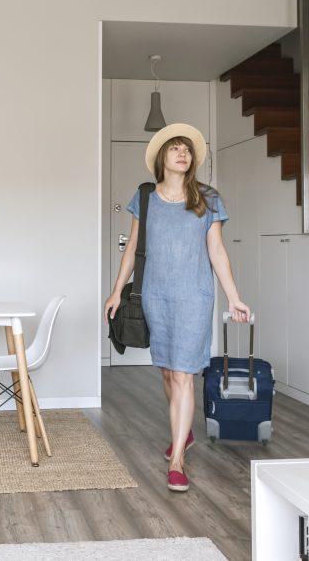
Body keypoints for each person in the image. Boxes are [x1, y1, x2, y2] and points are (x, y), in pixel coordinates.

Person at [104, 123, 250, 493]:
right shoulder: (146, 198)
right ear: (162, 158)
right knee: (168, 372)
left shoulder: (207, 198)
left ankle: (177, 461)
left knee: (184, 374)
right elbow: (133, 247)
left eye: (187, 149)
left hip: (194, 298)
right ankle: (181, 434)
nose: (183, 153)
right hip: (155, 295)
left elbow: (217, 251)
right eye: (175, 148)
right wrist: (116, 291)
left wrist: (233, 297)